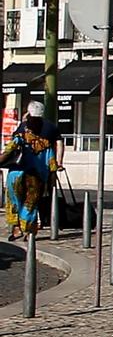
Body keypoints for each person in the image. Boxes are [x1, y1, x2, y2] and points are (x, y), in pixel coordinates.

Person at [4, 100, 62, 241]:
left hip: (16, 174)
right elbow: (55, 154)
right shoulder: (49, 132)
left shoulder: (22, 131)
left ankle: (17, 229)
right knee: (31, 203)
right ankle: (29, 231)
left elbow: (9, 150)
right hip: (37, 175)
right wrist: (57, 166)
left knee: (14, 200)